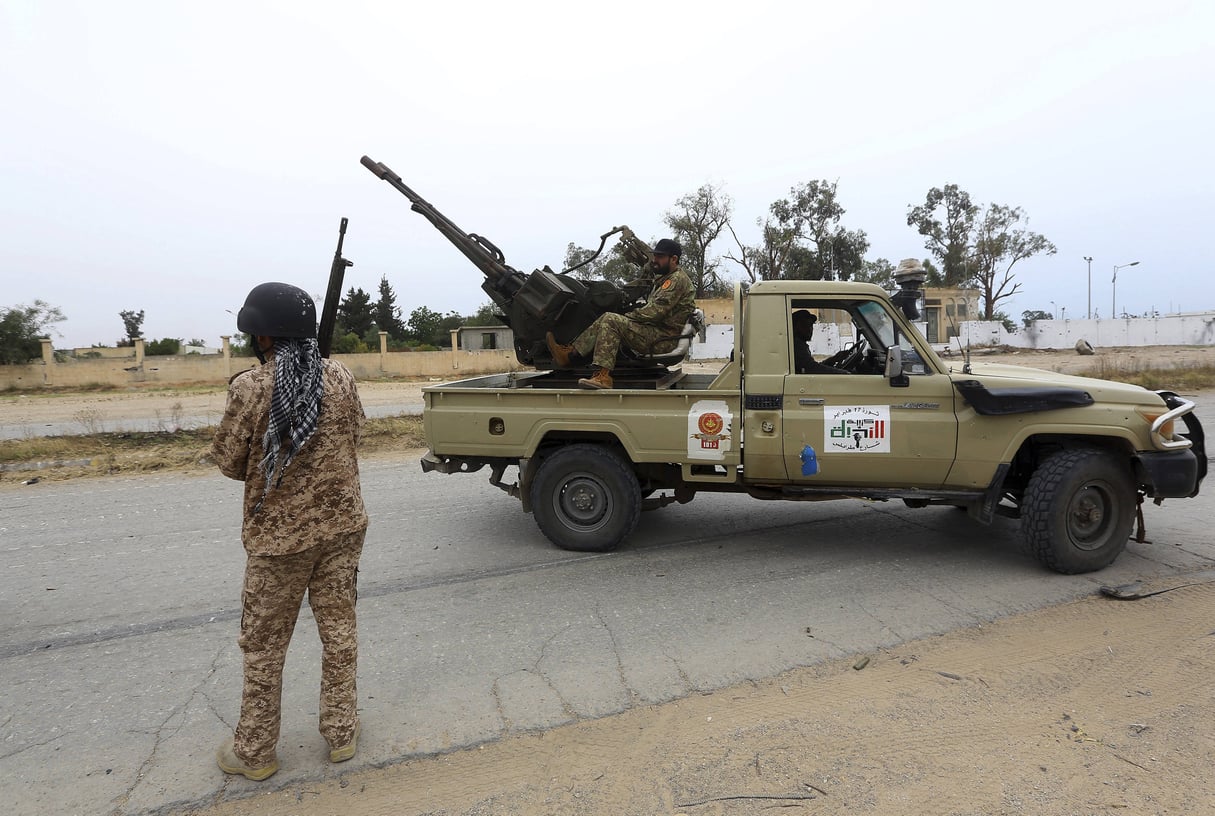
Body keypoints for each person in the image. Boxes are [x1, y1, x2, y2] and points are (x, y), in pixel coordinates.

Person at [211, 282, 369, 781]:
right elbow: (355, 435)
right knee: (339, 631)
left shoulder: (252, 387)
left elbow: (231, 463)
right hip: (344, 527)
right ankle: (341, 733)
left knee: (263, 645)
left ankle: (255, 752)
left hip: (280, 542)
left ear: (262, 334)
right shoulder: (340, 376)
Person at [545, 238, 696, 389]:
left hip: (664, 339)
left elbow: (654, 312)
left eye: (660, 257)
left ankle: (602, 377)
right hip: (658, 334)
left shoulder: (676, 280)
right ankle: (570, 353)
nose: (655, 260)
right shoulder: (666, 279)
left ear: (674, 259)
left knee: (612, 320)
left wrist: (627, 316)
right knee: (608, 317)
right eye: (655, 256)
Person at [791, 310, 841, 374]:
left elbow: (813, 366)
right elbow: (812, 369)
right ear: (796, 326)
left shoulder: (800, 344)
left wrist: (834, 359)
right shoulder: (796, 346)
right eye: (805, 325)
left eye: (811, 325)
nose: (810, 329)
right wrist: (843, 374)